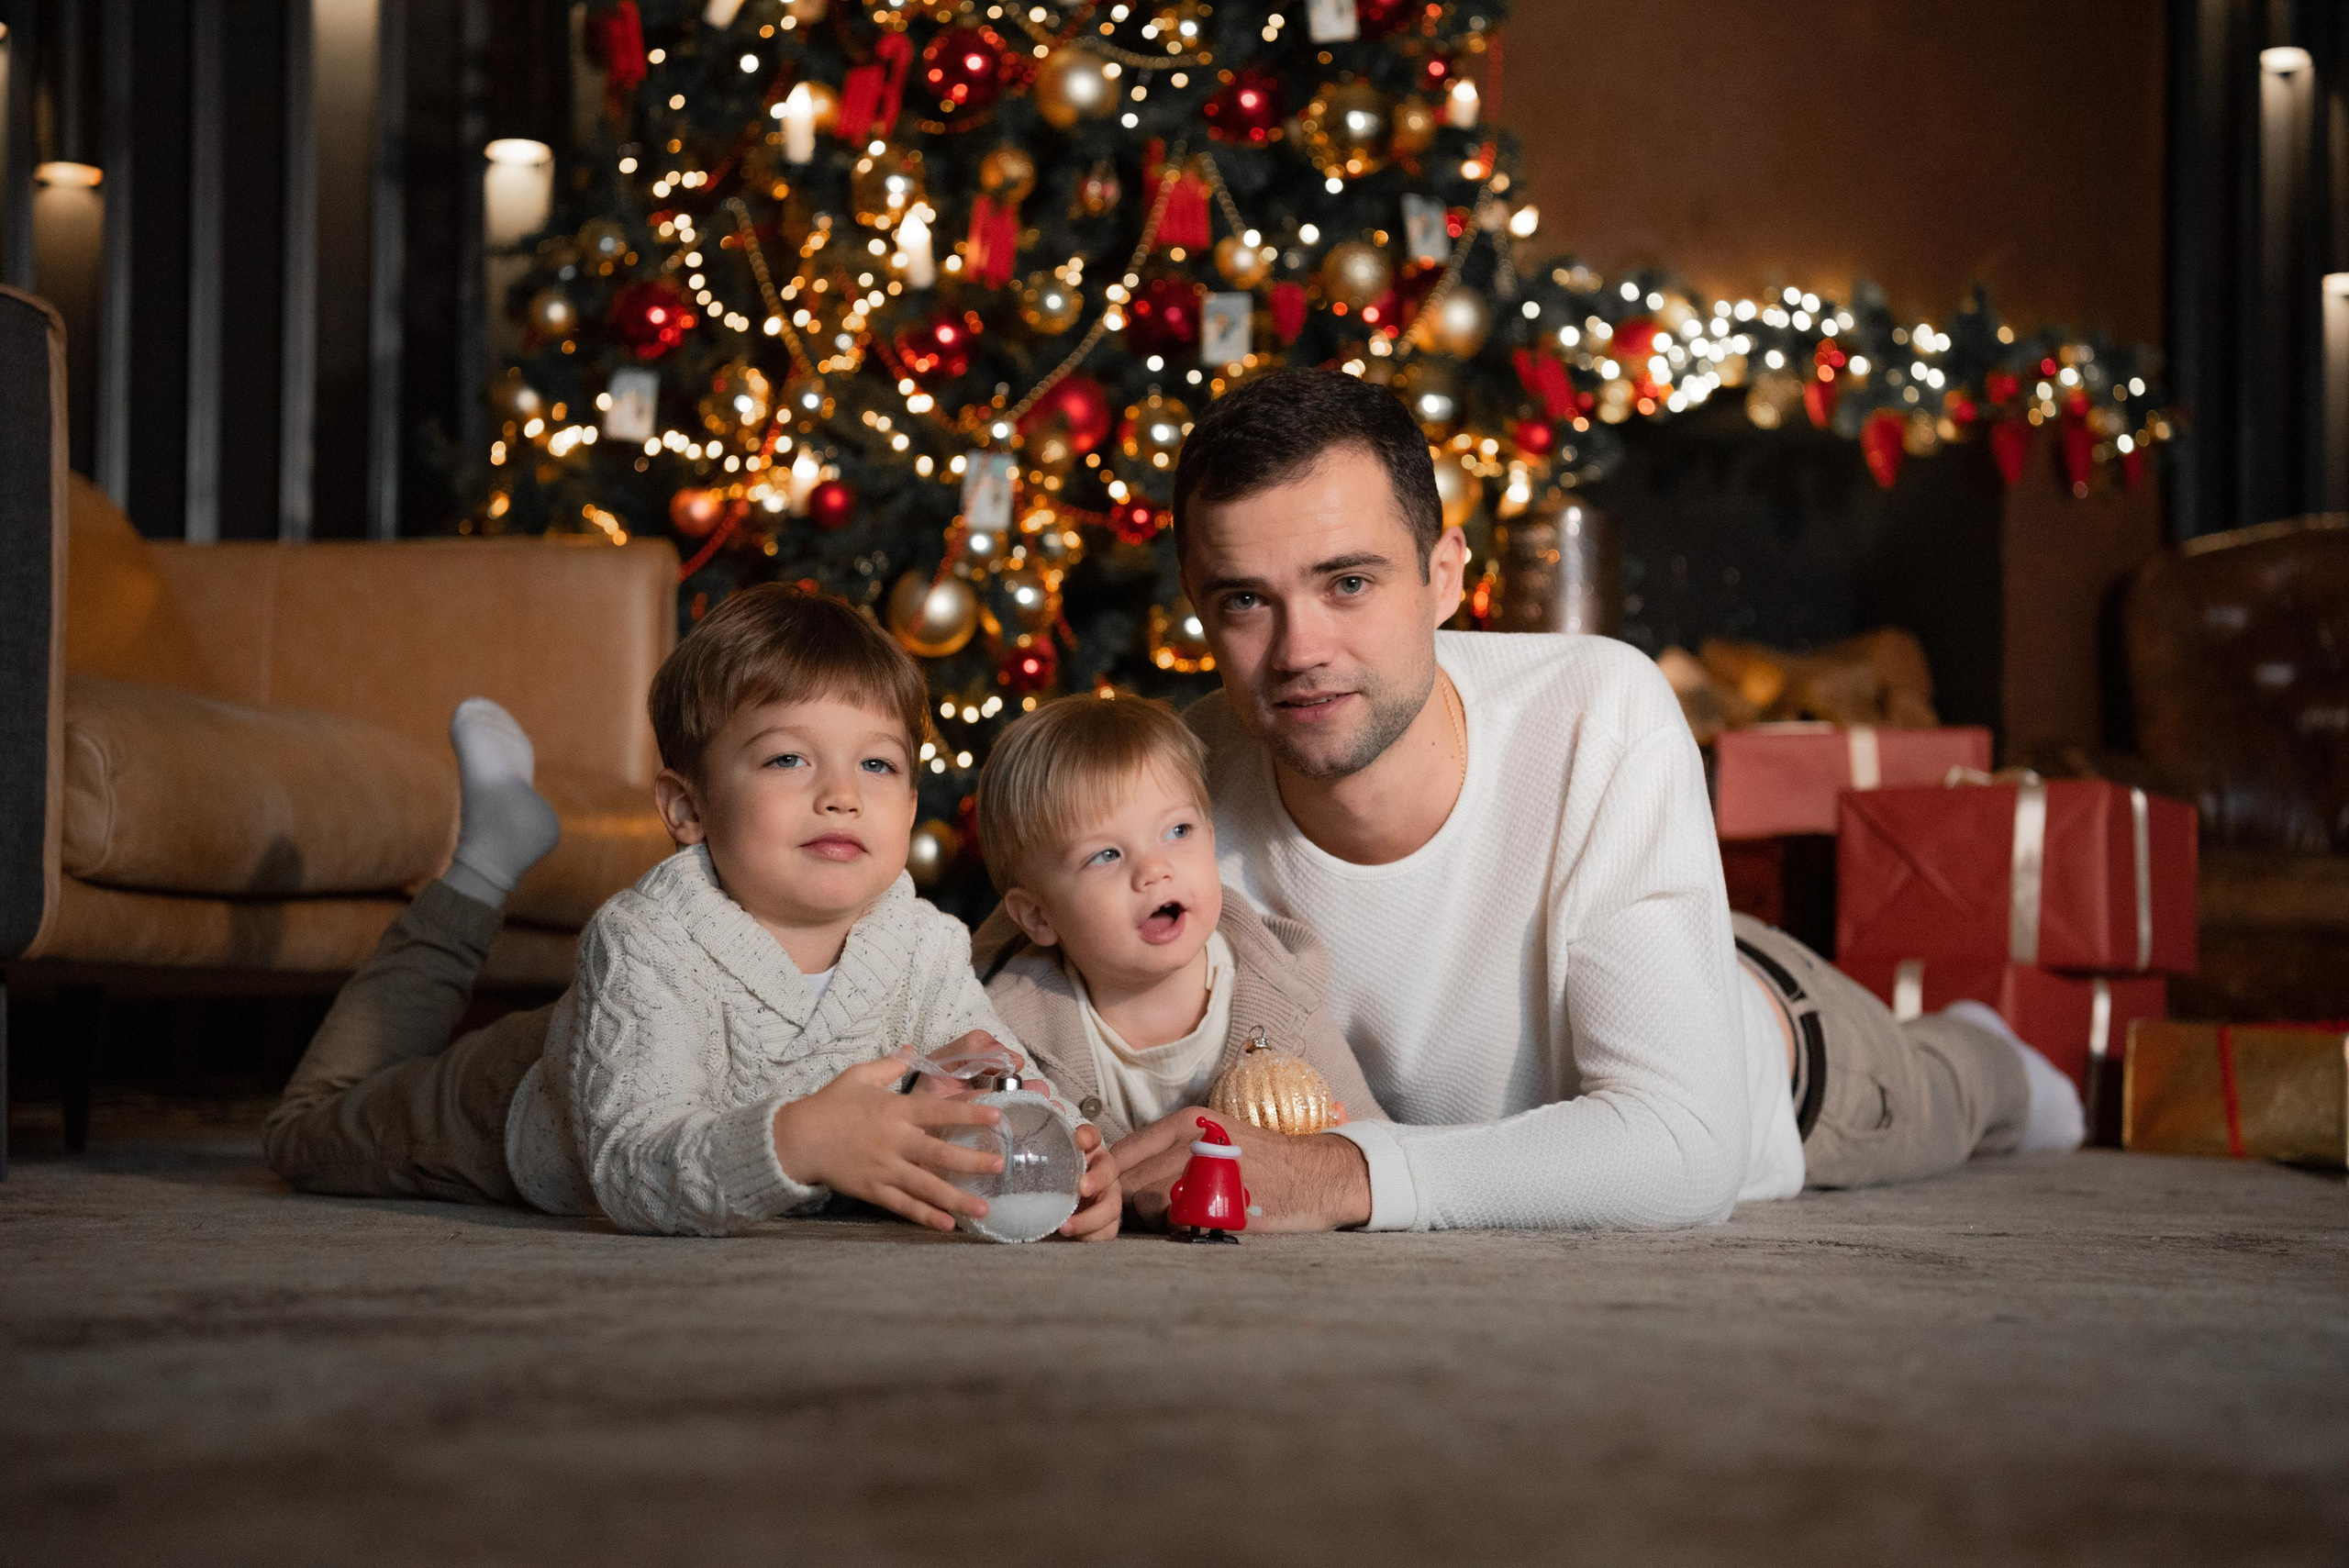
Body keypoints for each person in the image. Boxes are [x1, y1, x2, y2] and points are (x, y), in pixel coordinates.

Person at [1110, 368, 2084, 1231]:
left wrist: (1342, 1172)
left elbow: (1682, 1146)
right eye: (1245, 601)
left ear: (1444, 577)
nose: (1300, 651)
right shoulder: (1176, 789)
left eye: (1350, 583)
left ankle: (1989, 1045)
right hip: (1601, 962)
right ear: (1198, 603)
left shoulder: (1596, 710)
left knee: (1968, 1088)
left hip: (1775, 1049)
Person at [262, 586, 1120, 1240]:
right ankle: (483, 865)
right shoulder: (642, 940)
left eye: (878, 765)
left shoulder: (926, 945)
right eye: (787, 759)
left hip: (622, 1036)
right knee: (305, 1131)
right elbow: (629, 1170)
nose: (842, 795)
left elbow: (994, 1079)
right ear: (688, 808)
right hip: (509, 1108)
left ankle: (502, 844)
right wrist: (798, 1143)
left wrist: (1069, 1149)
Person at [967, 692, 1385, 1143]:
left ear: (1211, 838)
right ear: (1038, 916)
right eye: (1106, 855)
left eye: (1178, 831)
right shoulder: (1011, 1037)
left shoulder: (1284, 1000)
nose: (1154, 869)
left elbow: (1377, 1148)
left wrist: (1340, 1145)